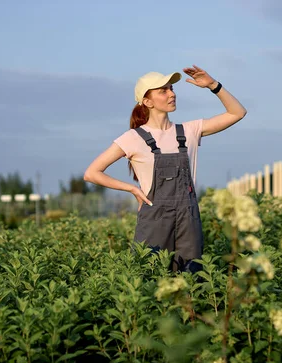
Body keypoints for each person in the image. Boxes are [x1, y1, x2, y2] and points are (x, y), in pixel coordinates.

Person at [84, 65, 247, 272]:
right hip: (154, 220)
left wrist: (213, 85)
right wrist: (132, 189)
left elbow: (237, 113)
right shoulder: (133, 138)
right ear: (147, 101)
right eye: (163, 91)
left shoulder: (189, 131)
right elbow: (92, 173)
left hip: (188, 219)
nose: (172, 94)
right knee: (149, 278)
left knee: (191, 280)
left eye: (171, 89)